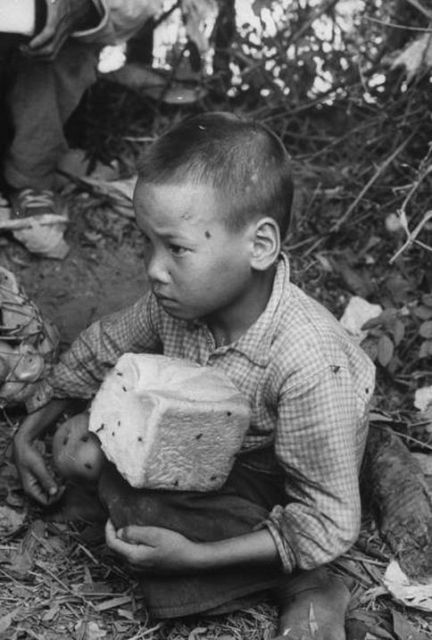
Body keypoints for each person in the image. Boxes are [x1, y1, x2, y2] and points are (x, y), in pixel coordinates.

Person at [14, 112, 376, 639]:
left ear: (260, 246)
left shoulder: (311, 359)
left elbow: (325, 516)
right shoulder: (178, 303)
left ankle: (308, 586)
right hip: (198, 444)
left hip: (273, 479)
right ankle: (185, 538)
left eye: (177, 248)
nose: (153, 269)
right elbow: (102, 348)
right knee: (78, 447)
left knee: (147, 513)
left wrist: (194, 556)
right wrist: (29, 432)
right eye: (148, 243)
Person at [1, 0, 162, 218]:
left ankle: (30, 178)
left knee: (57, 39)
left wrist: (82, 8)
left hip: (37, 59)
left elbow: (139, 6)